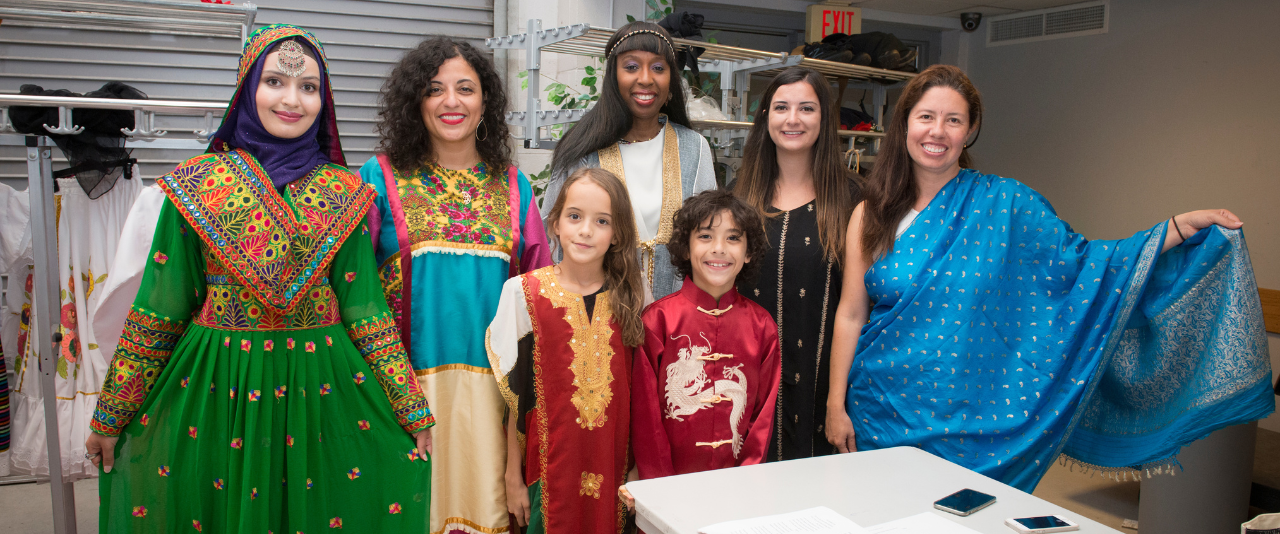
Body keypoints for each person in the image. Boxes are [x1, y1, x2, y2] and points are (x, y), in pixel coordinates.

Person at [824, 64, 1273, 492]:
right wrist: (835, 403)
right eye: (926, 117)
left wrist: (1173, 230)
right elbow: (850, 313)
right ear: (905, 124)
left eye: (953, 120)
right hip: (879, 410)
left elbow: (1083, 266)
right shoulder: (871, 214)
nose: (937, 131)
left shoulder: (1008, 205)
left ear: (970, 131)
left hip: (972, 424)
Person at [84, 25, 434, 533]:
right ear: (248, 89)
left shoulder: (347, 192)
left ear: (324, 100)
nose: (292, 99)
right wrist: (112, 414)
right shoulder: (197, 185)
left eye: (309, 87)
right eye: (275, 82)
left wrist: (410, 407)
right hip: (218, 387)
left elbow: (365, 308)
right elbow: (160, 310)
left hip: (324, 389)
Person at [359, 36, 551, 534]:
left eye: (465, 88)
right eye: (434, 89)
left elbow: (537, 306)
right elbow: (353, 296)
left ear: (485, 100)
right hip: (400, 401)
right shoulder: (377, 180)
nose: (451, 102)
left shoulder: (515, 187)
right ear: (414, 102)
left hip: (493, 413)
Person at [487, 168, 644, 533]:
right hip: (547, 473)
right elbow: (515, 400)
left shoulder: (634, 297)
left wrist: (638, 468)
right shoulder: (521, 293)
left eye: (601, 221)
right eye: (575, 217)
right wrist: (513, 477)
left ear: (617, 233)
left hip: (615, 473)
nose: (585, 230)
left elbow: (638, 397)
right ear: (555, 223)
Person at [732, 67, 861, 461]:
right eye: (781, 107)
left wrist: (837, 404)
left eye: (806, 108)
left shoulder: (854, 199)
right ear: (765, 118)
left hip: (825, 385)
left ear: (824, 119)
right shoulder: (738, 197)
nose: (792, 119)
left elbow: (854, 309)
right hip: (748, 385)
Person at [546, 21, 717, 301]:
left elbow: (708, 235)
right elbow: (554, 242)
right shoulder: (581, 150)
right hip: (598, 315)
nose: (646, 79)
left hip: (676, 322)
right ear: (613, 77)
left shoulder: (693, 147)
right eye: (631, 66)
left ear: (671, 80)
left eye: (658, 68)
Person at [630, 189, 780, 481]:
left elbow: (763, 417)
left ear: (748, 253)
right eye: (705, 236)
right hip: (667, 486)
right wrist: (660, 485)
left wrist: (745, 480)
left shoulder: (762, 327)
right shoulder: (658, 321)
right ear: (685, 248)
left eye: (733, 238)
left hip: (736, 487)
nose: (719, 248)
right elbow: (646, 418)